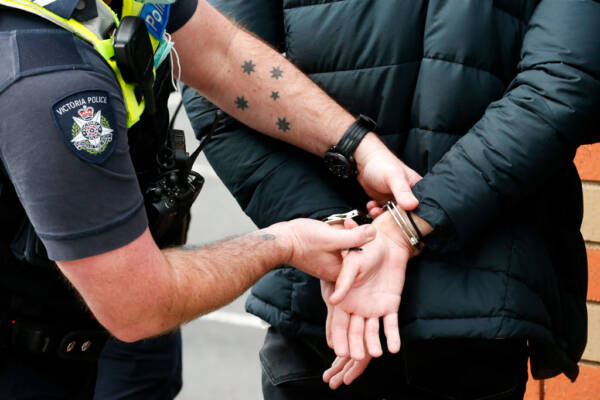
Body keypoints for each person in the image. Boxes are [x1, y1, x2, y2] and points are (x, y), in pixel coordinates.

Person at [182, 0, 600, 399]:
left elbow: (213, 80)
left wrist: (336, 233)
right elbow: (561, 87)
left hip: (330, 307)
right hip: (473, 306)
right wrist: (399, 228)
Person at [0, 0, 418, 397]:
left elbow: (224, 52)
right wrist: (286, 243)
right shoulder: (48, 74)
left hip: (99, 319)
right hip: (35, 355)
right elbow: (137, 304)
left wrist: (358, 147)